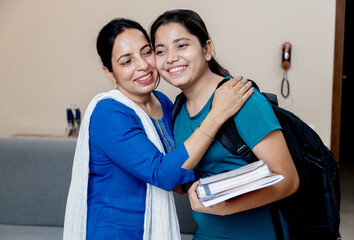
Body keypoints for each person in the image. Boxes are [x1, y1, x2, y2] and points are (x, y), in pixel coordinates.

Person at [63, 18, 253, 240]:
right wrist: (218, 114)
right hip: (113, 232)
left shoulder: (162, 102)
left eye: (146, 52)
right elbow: (161, 173)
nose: (143, 65)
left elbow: (180, 166)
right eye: (127, 62)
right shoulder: (108, 112)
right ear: (109, 73)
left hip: (152, 229)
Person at [150, 9, 299, 240]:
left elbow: (288, 181)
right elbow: (181, 181)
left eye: (181, 45)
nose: (170, 58)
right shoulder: (176, 110)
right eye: (161, 51)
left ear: (207, 50)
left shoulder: (243, 99)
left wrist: (226, 207)